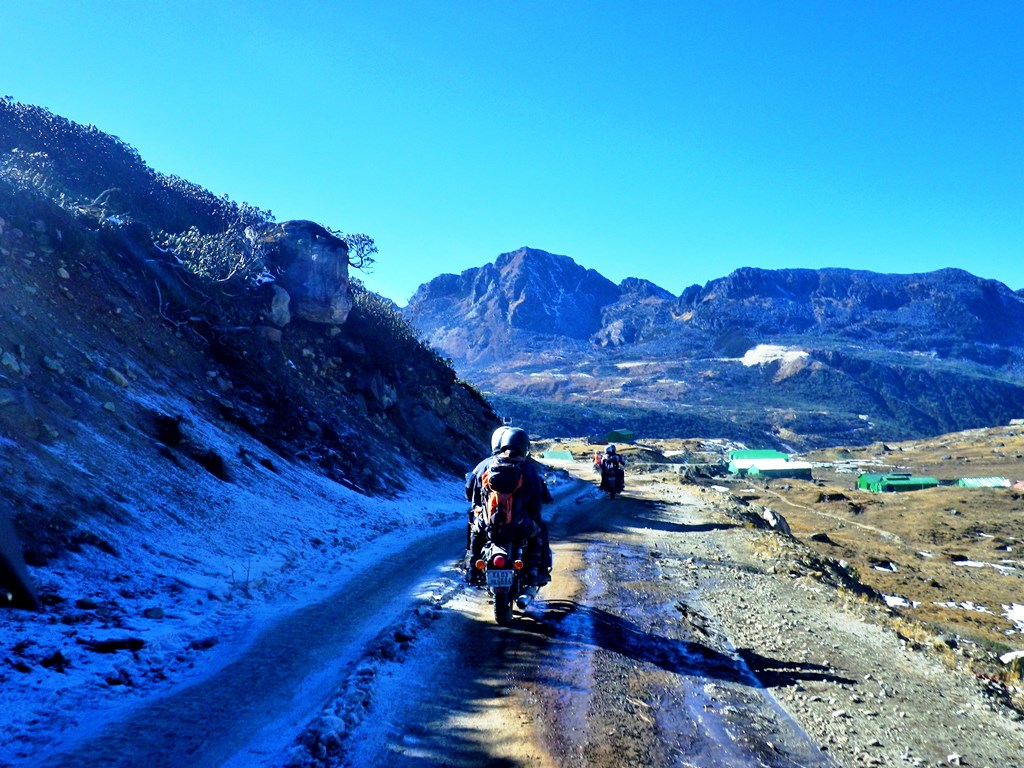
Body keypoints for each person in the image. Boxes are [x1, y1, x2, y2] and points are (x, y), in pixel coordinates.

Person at [464, 426, 551, 589]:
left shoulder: (485, 465)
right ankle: (535, 572)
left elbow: (470, 491)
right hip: (519, 526)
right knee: (539, 530)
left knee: (474, 527)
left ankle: (471, 569)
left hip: (490, 524)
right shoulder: (529, 470)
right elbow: (538, 501)